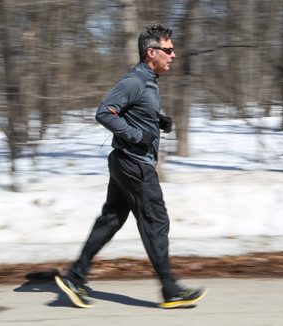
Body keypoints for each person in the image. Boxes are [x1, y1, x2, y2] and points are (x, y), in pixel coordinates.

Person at [55, 24, 206, 309]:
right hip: (134, 164)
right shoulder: (135, 80)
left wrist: (157, 120)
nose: (174, 55)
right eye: (169, 50)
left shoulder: (148, 81)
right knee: (156, 222)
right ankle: (170, 289)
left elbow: (133, 110)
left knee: (112, 219)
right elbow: (105, 113)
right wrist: (138, 136)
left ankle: (76, 276)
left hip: (126, 162)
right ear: (152, 53)